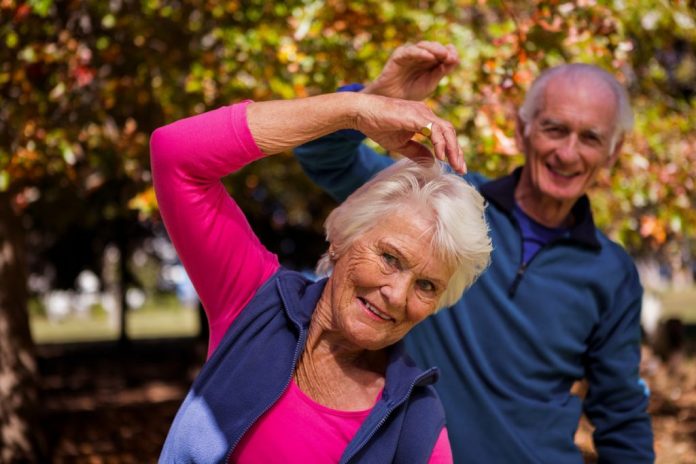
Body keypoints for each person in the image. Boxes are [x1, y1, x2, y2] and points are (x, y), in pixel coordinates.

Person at [294, 42, 655, 463]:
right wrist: (374, 100)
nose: (568, 152)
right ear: (523, 130)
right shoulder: (440, 203)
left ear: (612, 151)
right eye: (554, 129)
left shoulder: (612, 273)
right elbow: (322, 157)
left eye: (590, 137)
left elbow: (621, 414)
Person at [150, 91, 492, 463]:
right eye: (390, 258)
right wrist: (353, 112)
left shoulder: (416, 423)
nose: (397, 293)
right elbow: (175, 155)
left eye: (427, 286)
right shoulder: (256, 304)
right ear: (341, 239)